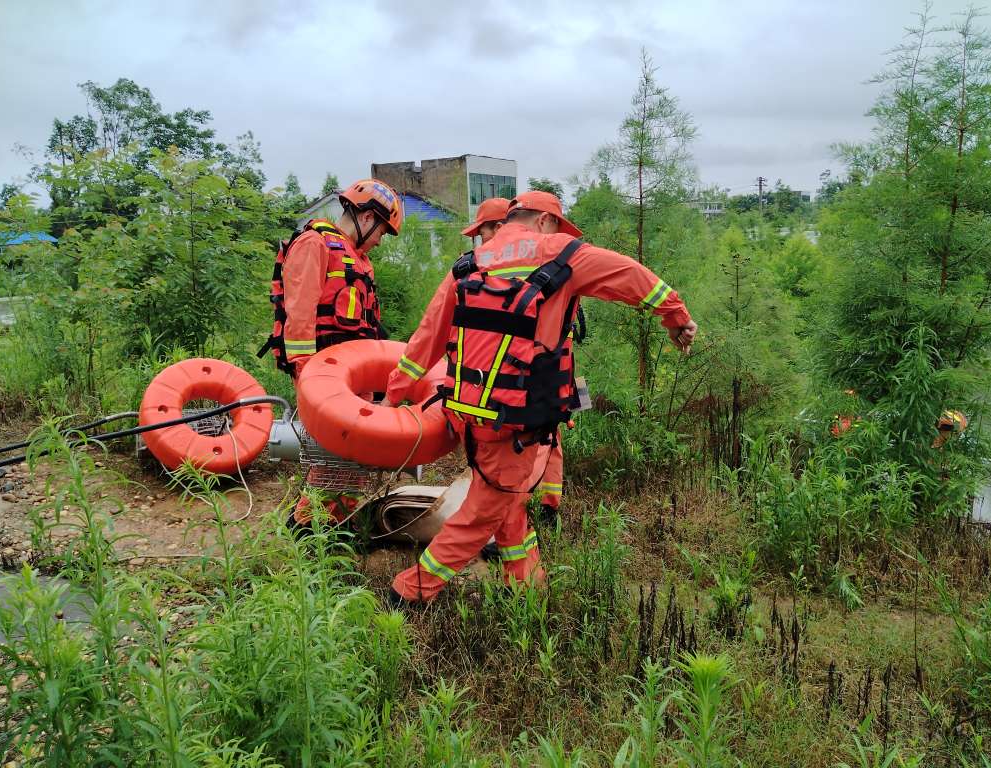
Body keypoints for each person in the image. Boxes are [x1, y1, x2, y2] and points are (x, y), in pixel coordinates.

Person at [384, 191, 697, 604]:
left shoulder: (469, 263)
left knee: (507, 503)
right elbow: (633, 277)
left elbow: (427, 337)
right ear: (547, 221)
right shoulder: (564, 254)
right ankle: (409, 592)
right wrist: (676, 316)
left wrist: (394, 395)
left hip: (466, 410)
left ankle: (526, 583)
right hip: (514, 417)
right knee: (482, 514)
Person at [257, 178, 404, 530]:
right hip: (325, 376)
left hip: (355, 375)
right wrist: (310, 380)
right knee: (337, 457)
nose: (381, 240)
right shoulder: (314, 244)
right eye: (382, 230)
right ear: (367, 218)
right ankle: (309, 531)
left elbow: (366, 325)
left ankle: (328, 527)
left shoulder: (357, 257)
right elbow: (300, 315)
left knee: (352, 460)